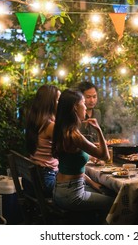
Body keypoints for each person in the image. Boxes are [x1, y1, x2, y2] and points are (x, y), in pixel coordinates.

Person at [52, 89, 114, 222]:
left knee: (103, 191)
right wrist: (99, 130)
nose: (86, 107)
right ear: (75, 107)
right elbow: (105, 156)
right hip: (72, 195)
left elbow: (71, 161)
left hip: (61, 190)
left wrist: (93, 182)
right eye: (83, 103)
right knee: (114, 203)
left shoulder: (63, 129)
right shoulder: (74, 135)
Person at [25, 84, 60, 197]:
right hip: (46, 181)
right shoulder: (50, 126)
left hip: (33, 180)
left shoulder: (35, 120)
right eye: (58, 100)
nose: (61, 104)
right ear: (50, 103)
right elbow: (67, 152)